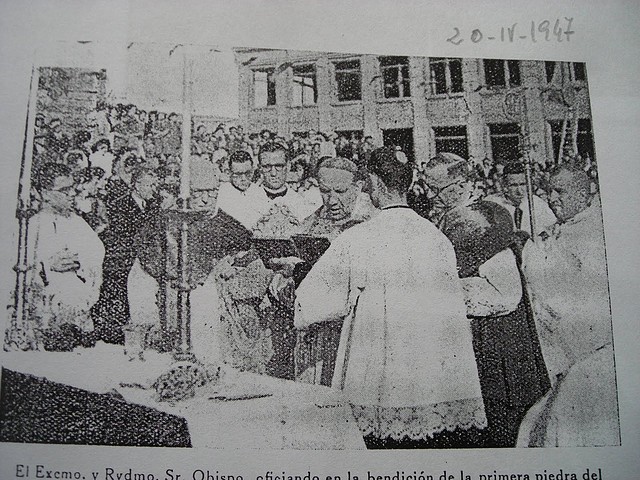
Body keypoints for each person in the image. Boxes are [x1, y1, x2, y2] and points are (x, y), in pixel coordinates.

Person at [294, 146, 487, 448]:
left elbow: (311, 304)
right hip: (433, 372)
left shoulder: (358, 238)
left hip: (381, 373)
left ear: (373, 183)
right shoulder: (435, 236)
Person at [423, 152, 550, 448]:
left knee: (500, 422)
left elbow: (505, 294)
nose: (432, 197)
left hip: (495, 338)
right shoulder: (448, 216)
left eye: (438, 189)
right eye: (429, 188)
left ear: (465, 183)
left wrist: (445, 294)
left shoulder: (487, 219)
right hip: (465, 336)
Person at [517, 165, 619, 447]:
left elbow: (581, 294)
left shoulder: (597, 233)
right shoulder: (556, 230)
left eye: (560, 191)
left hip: (588, 348)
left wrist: (534, 258)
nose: (551, 198)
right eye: (548, 191)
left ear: (586, 195)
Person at [293, 156, 377, 386]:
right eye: (325, 191)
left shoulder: (374, 222)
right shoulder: (311, 223)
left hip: (356, 330)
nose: (331, 200)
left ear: (358, 187)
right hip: (317, 335)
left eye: (340, 191)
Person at [16, 163, 104, 351]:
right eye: (65, 190)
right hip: (45, 307)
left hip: (79, 301)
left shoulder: (77, 222)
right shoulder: (33, 226)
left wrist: (80, 263)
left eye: (73, 188)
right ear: (46, 193)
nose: (72, 194)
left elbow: (96, 252)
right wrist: (48, 265)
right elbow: (21, 268)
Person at [93, 166, 160, 344]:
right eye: (149, 185)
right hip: (124, 260)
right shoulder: (119, 205)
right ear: (137, 185)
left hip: (146, 260)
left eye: (155, 185)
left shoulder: (154, 205)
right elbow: (121, 235)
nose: (154, 189)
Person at [252, 142, 316, 237]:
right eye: (267, 167)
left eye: (279, 166)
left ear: (288, 166)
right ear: (260, 168)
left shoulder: (302, 204)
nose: (273, 173)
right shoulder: (249, 201)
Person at [485, 162, 557, 237]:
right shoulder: (492, 203)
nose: (519, 191)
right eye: (514, 185)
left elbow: (551, 228)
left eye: (523, 184)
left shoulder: (537, 203)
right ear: (504, 185)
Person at [216, 150, 264, 230]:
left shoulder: (257, 190)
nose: (243, 179)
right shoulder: (225, 191)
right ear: (229, 173)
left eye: (248, 173)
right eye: (238, 174)